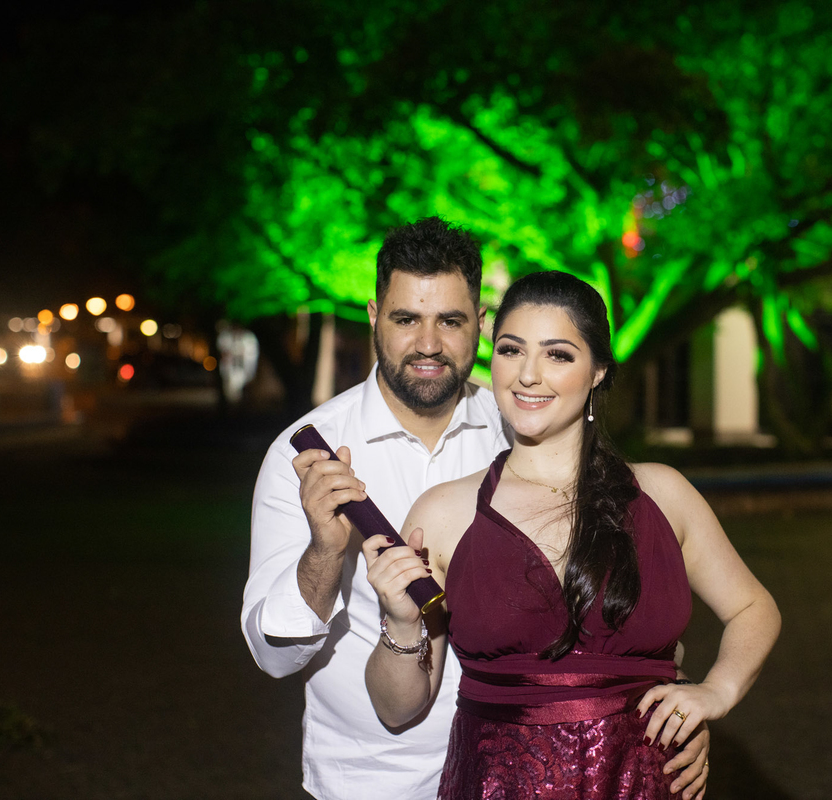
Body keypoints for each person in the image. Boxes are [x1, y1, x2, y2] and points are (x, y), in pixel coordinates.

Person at [241, 218, 710, 800]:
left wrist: (676, 701)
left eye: (450, 321)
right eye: (406, 319)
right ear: (373, 317)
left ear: (482, 325)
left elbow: (614, 600)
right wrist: (324, 551)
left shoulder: (529, 423)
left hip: (531, 777)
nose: (428, 343)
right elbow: (275, 658)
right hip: (372, 779)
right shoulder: (309, 458)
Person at [363, 271, 781, 799]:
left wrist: (717, 690)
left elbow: (753, 608)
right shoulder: (444, 513)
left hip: (641, 784)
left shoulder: (662, 494)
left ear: (598, 370)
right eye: (511, 350)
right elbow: (397, 709)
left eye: (557, 355)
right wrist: (402, 624)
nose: (528, 375)